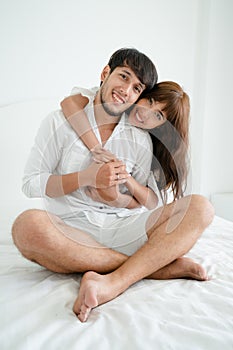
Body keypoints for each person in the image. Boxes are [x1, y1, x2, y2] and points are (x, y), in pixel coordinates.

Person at [12, 48, 214, 323]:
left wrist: (117, 198)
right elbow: (31, 184)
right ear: (105, 73)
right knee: (26, 227)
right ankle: (155, 267)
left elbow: (151, 202)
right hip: (72, 229)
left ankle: (112, 282)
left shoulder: (139, 137)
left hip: (123, 227)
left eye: (136, 87)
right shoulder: (59, 122)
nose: (126, 90)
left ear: (138, 96)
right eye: (123, 76)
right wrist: (86, 179)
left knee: (201, 208)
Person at [60, 81, 189, 209]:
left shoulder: (144, 142)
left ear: (162, 127)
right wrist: (98, 150)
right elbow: (68, 103)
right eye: (150, 101)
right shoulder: (115, 101)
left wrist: (120, 187)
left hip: (117, 213)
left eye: (157, 115)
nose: (144, 113)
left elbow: (151, 202)